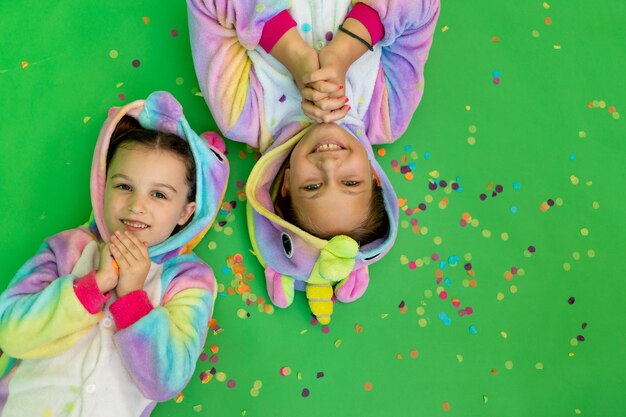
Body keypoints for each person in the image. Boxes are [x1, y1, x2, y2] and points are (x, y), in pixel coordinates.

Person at [187, 0, 439, 324]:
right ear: (375, 177)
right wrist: (343, 53)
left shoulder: (244, 115)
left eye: (313, 185)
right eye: (351, 182)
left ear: (287, 183)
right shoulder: (387, 113)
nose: (330, 164)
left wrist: (297, 58)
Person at [0, 91, 229, 416]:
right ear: (103, 185)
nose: (137, 205)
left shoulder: (189, 280)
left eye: (159, 194)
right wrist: (93, 286)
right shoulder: (67, 248)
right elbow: (9, 333)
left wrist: (133, 297)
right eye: (124, 186)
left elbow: (165, 383)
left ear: (185, 212)